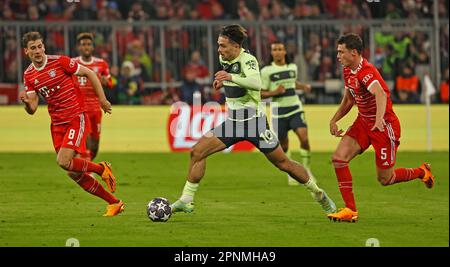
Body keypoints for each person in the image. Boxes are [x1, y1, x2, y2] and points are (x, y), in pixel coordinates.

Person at [170, 24, 336, 216]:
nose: (219, 50)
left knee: (283, 163)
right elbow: (235, 80)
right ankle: (186, 200)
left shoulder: (248, 60)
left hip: (254, 124)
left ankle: (318, 193)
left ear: (235, 46)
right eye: (219, 45)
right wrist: (223, 82)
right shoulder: (224, 57)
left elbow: (255, 83)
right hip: (233, 123)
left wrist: (230, 76)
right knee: (197, 152)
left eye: (223, 46)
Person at [328, 33, 435, 222]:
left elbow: (380, 94)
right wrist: (334, 119)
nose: (338, 56)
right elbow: (349, 99)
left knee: (385, 179)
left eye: (341, 52)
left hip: (384, 126)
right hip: (363, 122)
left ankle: (421, 172)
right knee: (338, 159)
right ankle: (350, 210)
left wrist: (378, 121)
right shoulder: (347, 70)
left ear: (353, 53)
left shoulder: (366, 71)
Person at [19, 31, 124, 217]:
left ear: (44, 46)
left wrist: (102, 100)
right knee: (72, 172)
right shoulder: (28, 75)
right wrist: (27, 104)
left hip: (75, 116)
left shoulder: (59, 61)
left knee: (63, 161)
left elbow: (90, 73)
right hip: (57, 123)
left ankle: (101, 168)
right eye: (33, 48)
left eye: (40, 46)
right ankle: (114, 203)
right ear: (26, 51)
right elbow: (33, 107)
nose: (38, 51)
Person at [260, 42, 315, 186]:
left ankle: (307, 170)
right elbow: (260, 93)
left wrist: (304, 86)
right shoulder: (266, 71)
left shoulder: (292, 67)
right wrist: (274, 92)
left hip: (295, 108)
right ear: (271, 53)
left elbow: (293, 83)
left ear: (284, 52)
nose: (277, 52)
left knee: (304, 138)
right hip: (278, 113)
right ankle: (292, 172)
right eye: (274, 50)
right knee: (283, 147)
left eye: (280, 49)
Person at [73, 32, 113, 161]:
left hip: (96, 109)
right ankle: (86, 170)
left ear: (93, 47)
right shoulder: (72, 63)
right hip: (79, 108)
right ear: (79, 47)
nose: (86, 47)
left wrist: (106, 82)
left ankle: (87, 164)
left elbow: (111, 82)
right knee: (85, 139)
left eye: (89, 44)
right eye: (83, 44)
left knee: (95, 145)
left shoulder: (101, 64)